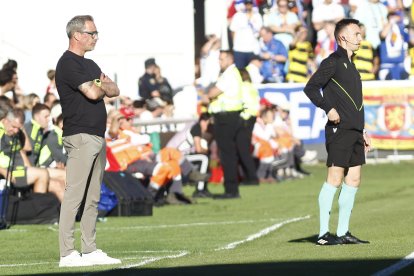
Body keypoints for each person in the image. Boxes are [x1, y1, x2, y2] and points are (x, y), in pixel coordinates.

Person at [55, 15, 121, 267]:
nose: (96, 37)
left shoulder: (90, 64)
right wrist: (101, 85)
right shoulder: (67, 63)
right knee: (75, 195)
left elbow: (114, 90)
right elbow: (95, 92)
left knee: (93, 196)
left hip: (96, 135)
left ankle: (90, 249)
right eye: (92, 33)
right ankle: (67, 253)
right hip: (80, 135)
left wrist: (102, 85)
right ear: (77, 35)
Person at [303, 18, 372, 246]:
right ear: (342, 37)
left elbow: (356, 102)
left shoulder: (352, 66)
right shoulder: (332, 61)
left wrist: (363, 130)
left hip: (354, 131)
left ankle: (343, 232)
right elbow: (311, 87)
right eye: (356, 34)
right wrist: (328, 108)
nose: (360, 38)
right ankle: (323, 234)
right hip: (338, 130)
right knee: (334, 179)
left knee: (354, 180)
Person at [205, 50, 258, 199]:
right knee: (231, 153)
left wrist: (208, 94)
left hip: (226, 118)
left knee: (227, 154)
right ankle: (232, 188)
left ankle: (231, 189)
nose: (219, 62)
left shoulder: (228, 74)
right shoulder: (233, 74)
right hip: (232, 117)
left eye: (221, 59)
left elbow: (212, 93)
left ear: (229, 59)